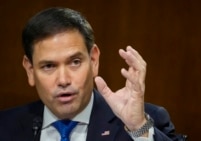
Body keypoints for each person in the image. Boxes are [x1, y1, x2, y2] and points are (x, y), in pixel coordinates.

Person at [0, 7, 185, 141]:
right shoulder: (5, 126)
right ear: (30, 70)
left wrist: (139, 129)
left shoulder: (141, 122)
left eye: (75, 62)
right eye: (48, 66)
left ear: (94, 60)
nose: (63, 80)